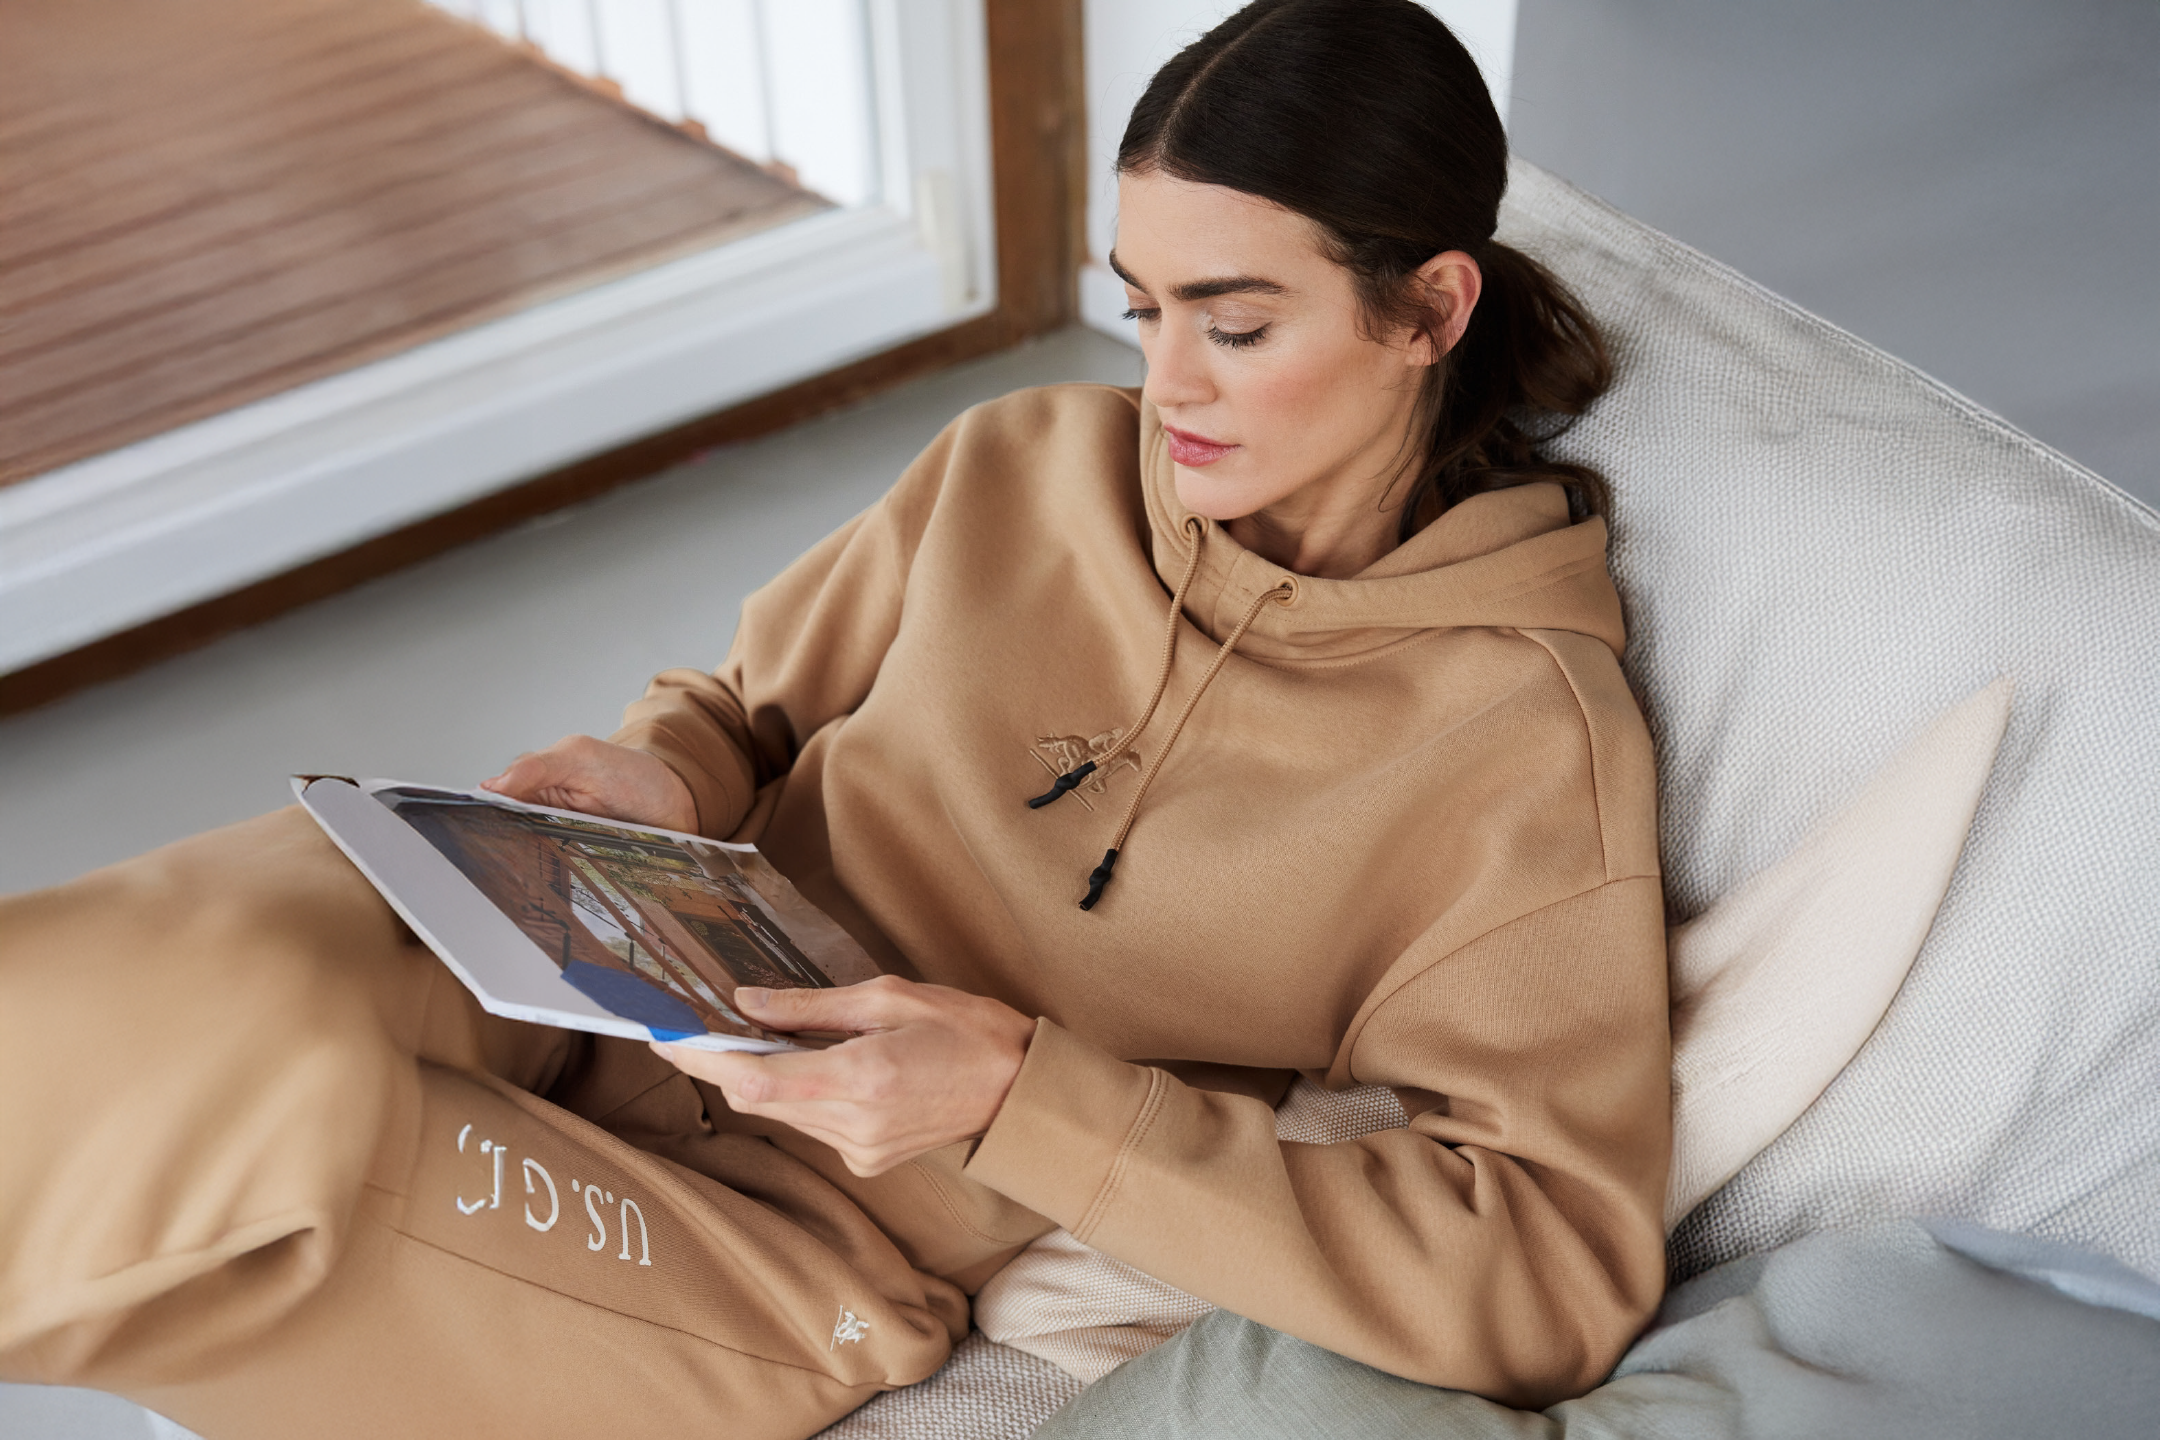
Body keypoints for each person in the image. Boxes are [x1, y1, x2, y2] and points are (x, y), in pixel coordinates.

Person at [0, 1, 1669, 1434]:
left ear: (1431, 311)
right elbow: (750, 703)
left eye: (1236, 327)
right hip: (599, 968)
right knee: (111, 1001)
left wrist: (1020, 1100)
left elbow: (1545, 1274)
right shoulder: (1029, 464)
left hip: (784, 1237)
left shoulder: (1515, 750)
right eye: (1144, 312)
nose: (1165, 389)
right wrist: (665, 765)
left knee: (256, 1168)